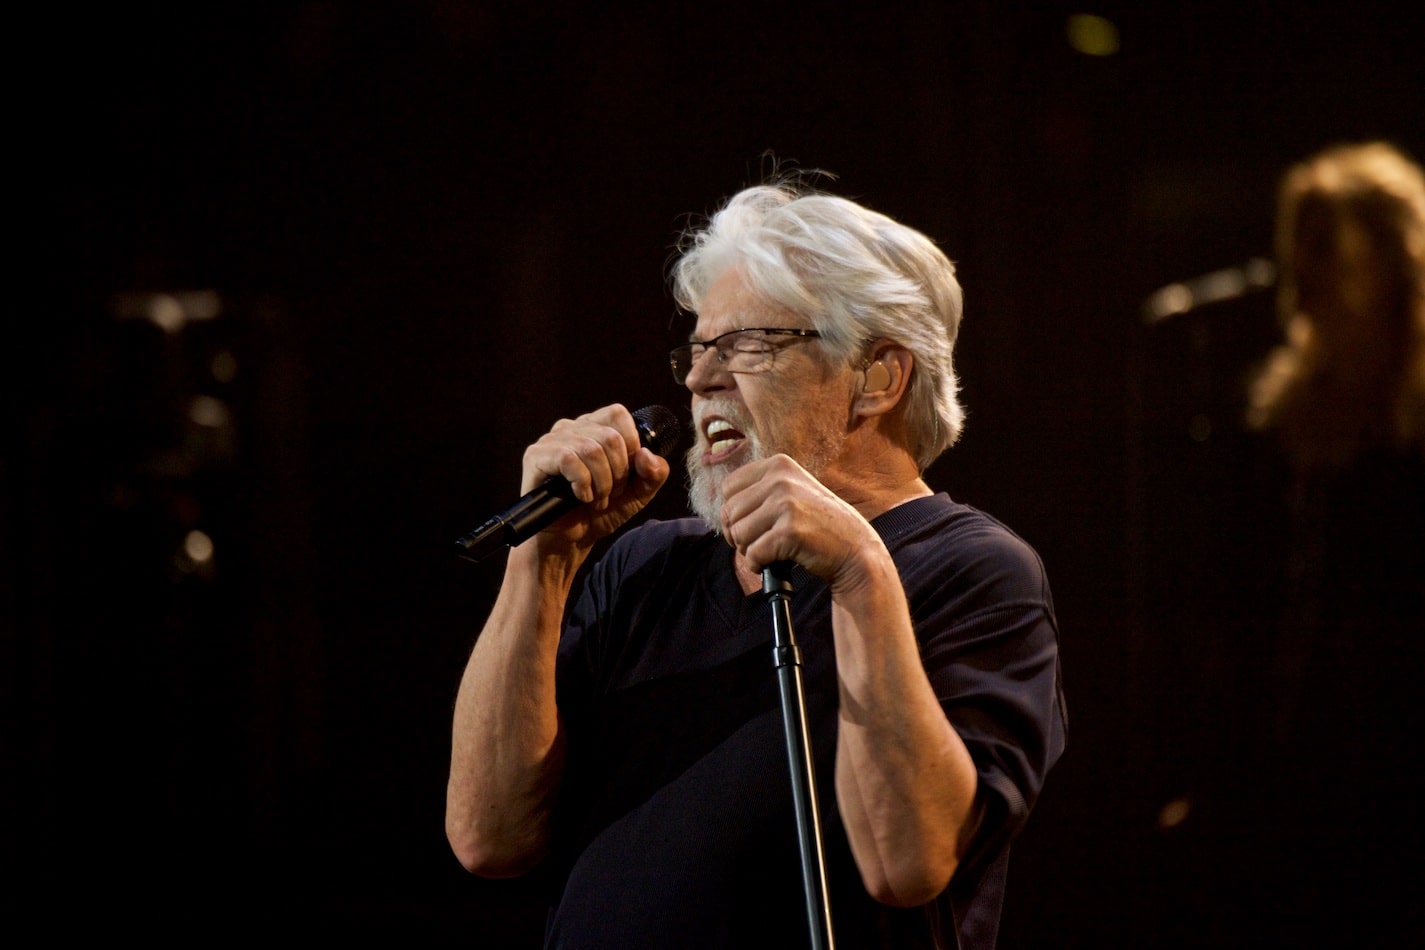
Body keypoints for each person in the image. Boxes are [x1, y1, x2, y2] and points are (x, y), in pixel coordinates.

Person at [444, 179, 1067, 948]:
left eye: (747, 345)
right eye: (697, 350)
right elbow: (488, 838)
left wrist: (858, 572)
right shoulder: (645, 567)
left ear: (876, 377)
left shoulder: (971, 572)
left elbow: (905, 865)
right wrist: (544, 558)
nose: (699, 379)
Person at [1212, 142, 1425, 944]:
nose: (1299, 277)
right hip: (1295, 784)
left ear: (1394, 268)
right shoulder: (1282, 420)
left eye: (1325, 253)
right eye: (1294, 249)